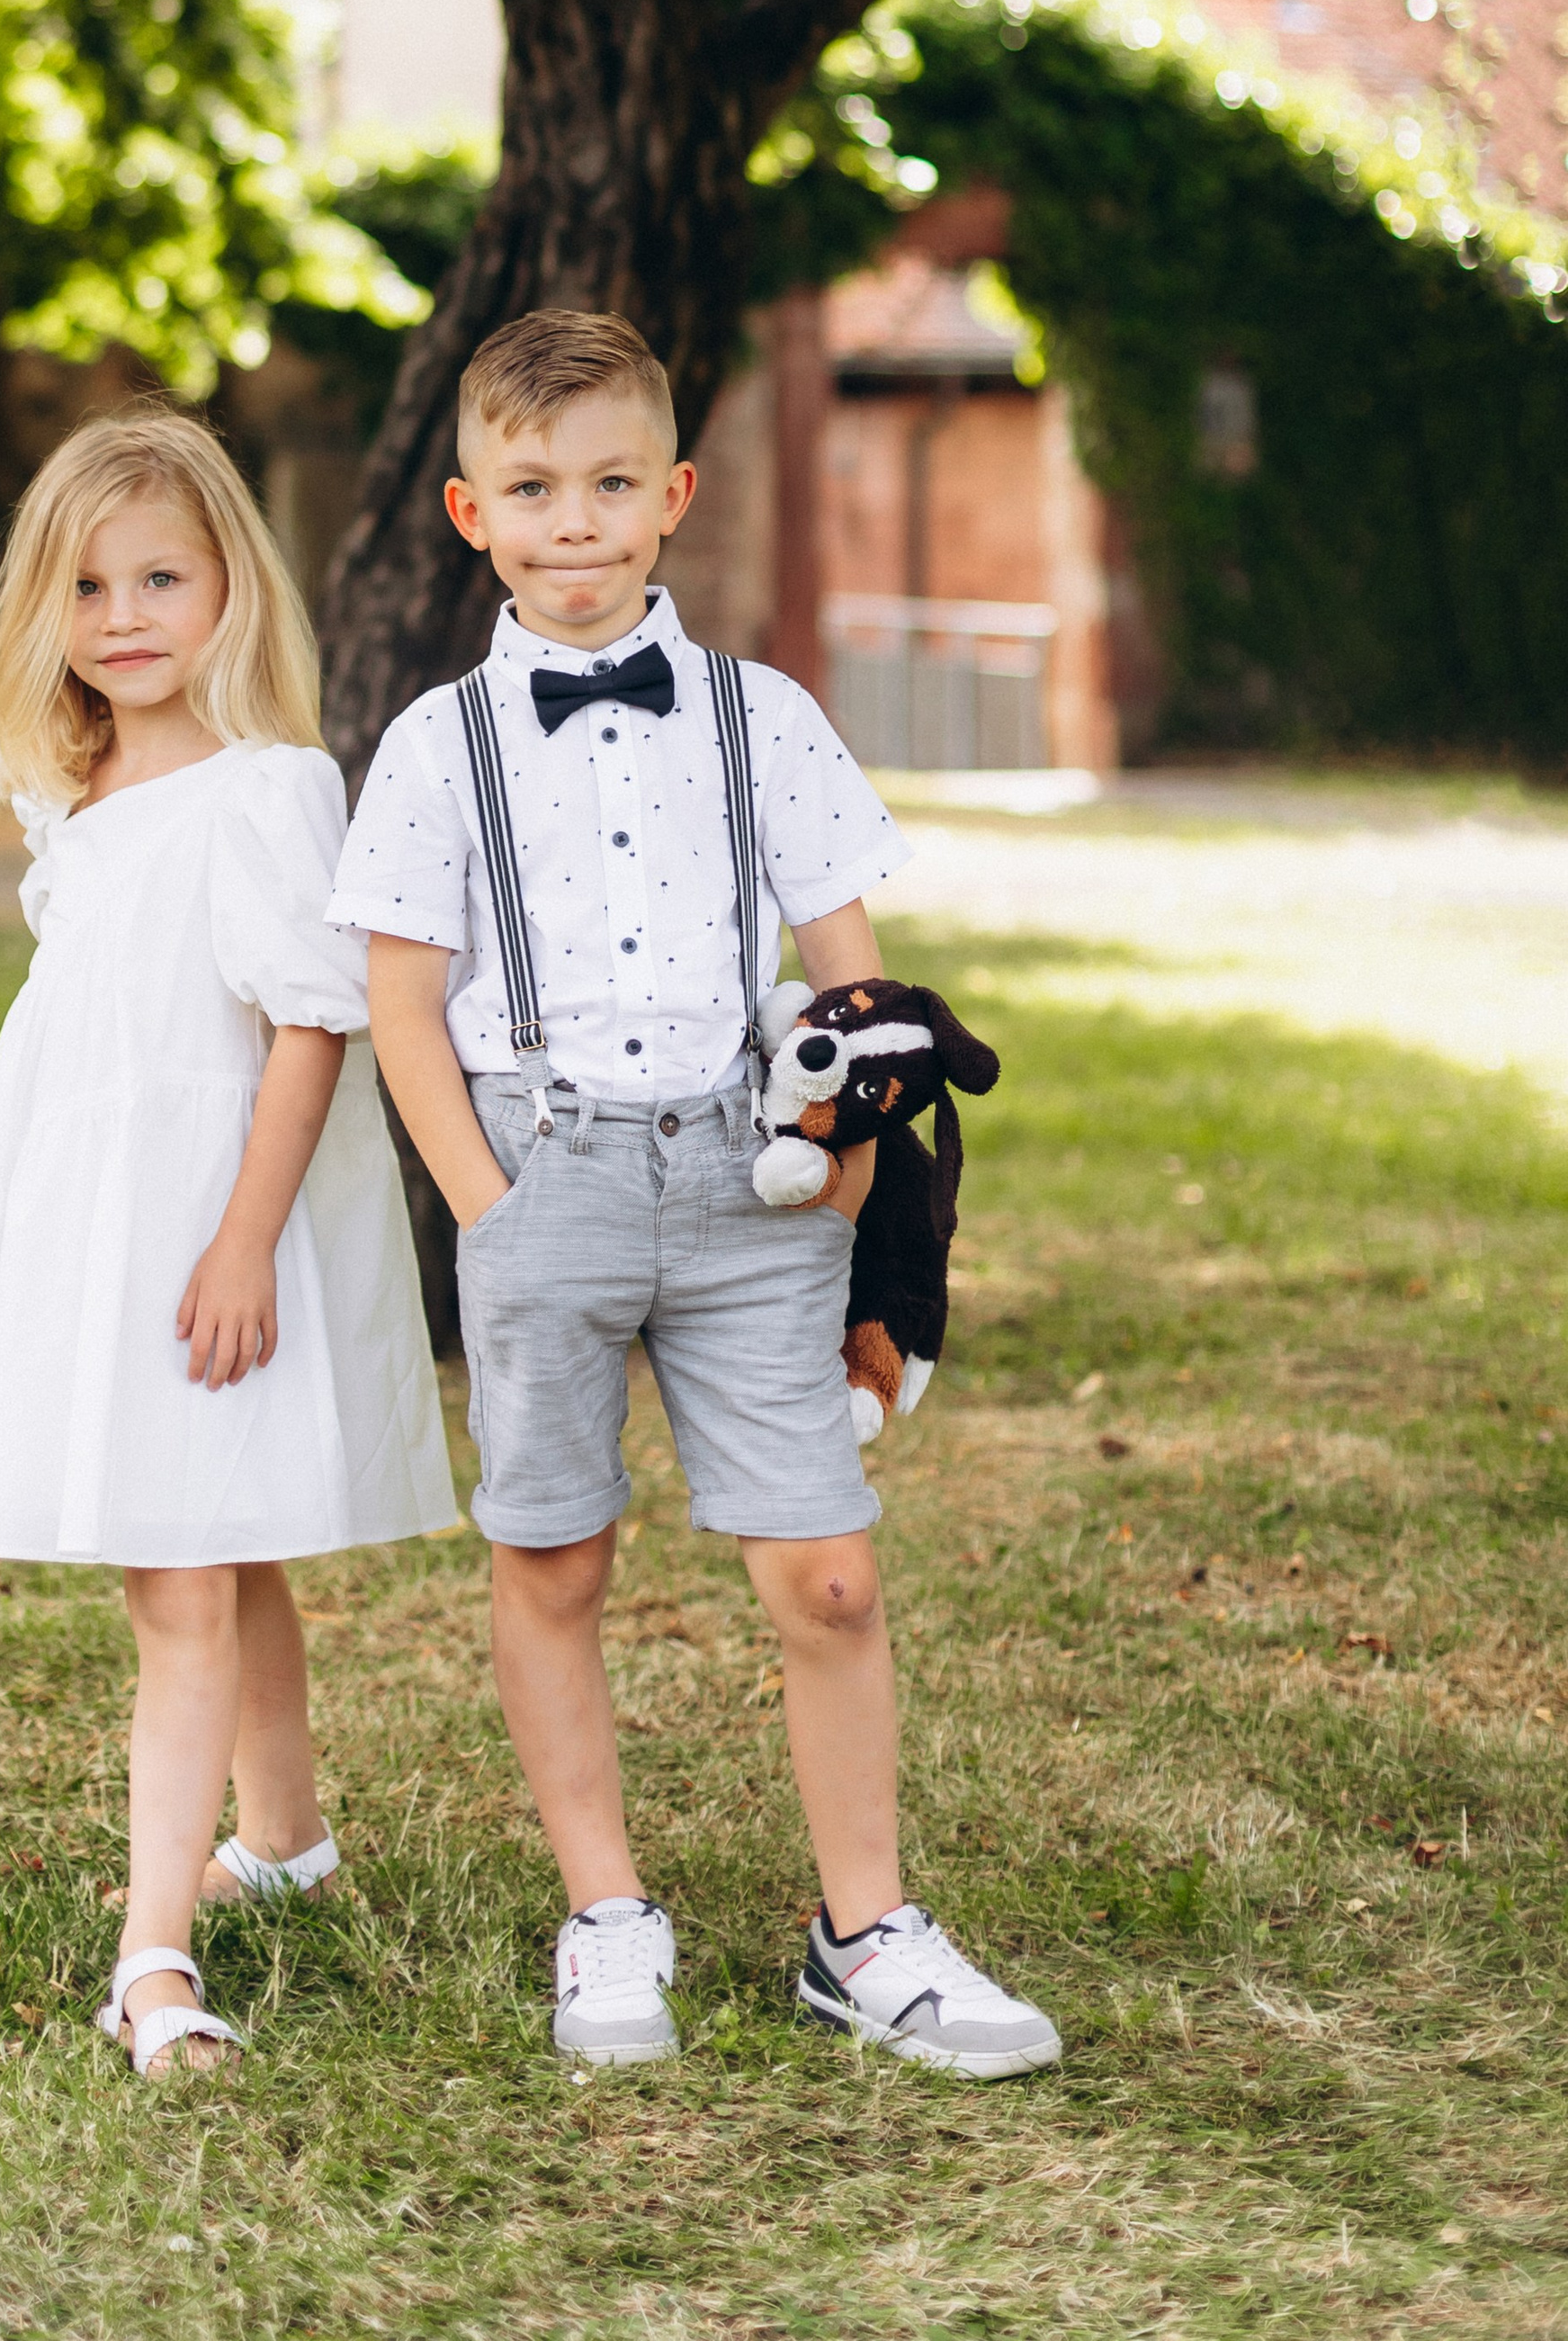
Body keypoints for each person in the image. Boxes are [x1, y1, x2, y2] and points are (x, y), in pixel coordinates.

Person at [330, 309, 1059, 2081]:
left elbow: (851, 991)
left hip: (751, 1186)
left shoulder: (766, 721)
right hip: (541, 1176)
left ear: (668, 496)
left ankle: (864, 1931)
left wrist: (848, 1170)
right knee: (554, 1552)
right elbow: (398, 1005)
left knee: (821, 1574)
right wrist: (486, 1208)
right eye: (527, 489)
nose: (568, 523)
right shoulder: (437, 746)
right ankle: (603, 1912)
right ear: (466, 510)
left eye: (602, 486)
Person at [0, 406, 455, 2081]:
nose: (123, 616)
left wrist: (246, 1240)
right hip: (92, 1229)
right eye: (88, 585)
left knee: (180, 1578)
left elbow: (307, 1033)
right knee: (216, 1538)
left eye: (161, 578)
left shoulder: (268, 791)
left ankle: (155, 1958)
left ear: (229, 592)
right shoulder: (81, 792)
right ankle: (287, 1837)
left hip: (206, 1227)